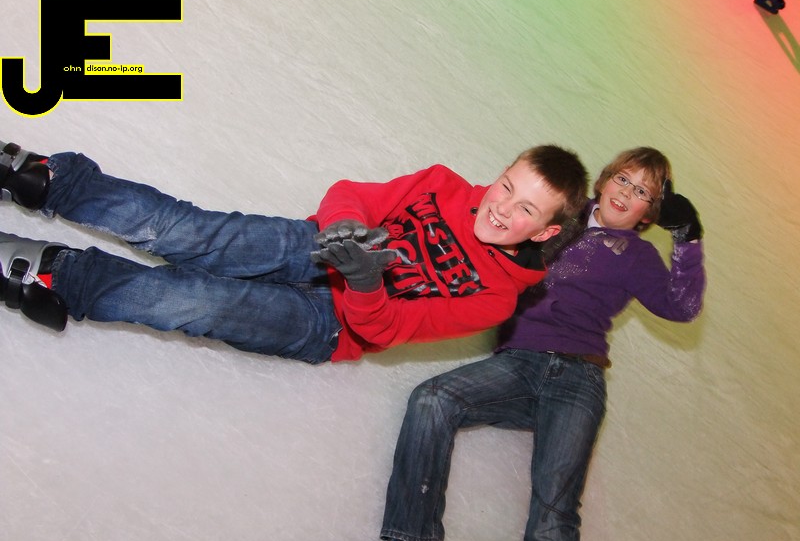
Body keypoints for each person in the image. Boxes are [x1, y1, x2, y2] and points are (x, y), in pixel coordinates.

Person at [323, 147, 706, 541]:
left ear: (650, 212)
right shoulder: (552, 216)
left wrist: (687, 237)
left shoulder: (637, 256)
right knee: (434, 399)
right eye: (623, 179)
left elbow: (682, 306)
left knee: (554, 508)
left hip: (578, 379)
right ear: (604, 180)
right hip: (518, 366)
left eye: (642, 192)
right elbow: (489, 228)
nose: (626, 193)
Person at [0, 139, 587, 364]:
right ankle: (49, 180)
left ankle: (54, 277)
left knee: (195, 302)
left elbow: (384, 330)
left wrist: (365, 281)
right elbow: (353, 194)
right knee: (190, 231)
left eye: (526, 210)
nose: (502, 208)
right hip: (313, 248)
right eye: (506, 186)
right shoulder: (443, 184)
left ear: (543, 233)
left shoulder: (494, 299)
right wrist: (346, 230)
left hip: (327, 325)